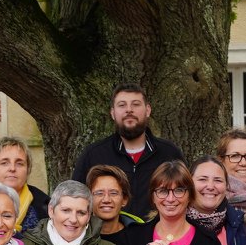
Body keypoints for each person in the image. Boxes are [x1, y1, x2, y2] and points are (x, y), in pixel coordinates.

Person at [74, 84, 185, 219]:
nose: (129, 110)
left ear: (148, 110)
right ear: (113, 113)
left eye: (136, 104)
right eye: (122, 105)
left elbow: (185, 195)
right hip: (108, 235)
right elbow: (76, 199)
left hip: (157, 234)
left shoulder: (169, 153)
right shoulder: (94, 154)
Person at [188, 155, 246, 245]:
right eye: (202, 179)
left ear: (226, 186)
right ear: (189, 183)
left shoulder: (243, 227)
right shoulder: (175, 223)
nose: (210, 186)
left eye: (218, 180)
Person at [0, 136, 52, 236]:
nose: (12, 168)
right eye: (4, 163)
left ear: (28, 170)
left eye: (19, 163)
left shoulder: (47, 208)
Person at [87, 164, 140, 242]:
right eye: (99, 193)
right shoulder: (76, 235)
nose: (106, 200)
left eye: (113, 193)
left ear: (124, 199)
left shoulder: (139, 236)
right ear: (88, 199)